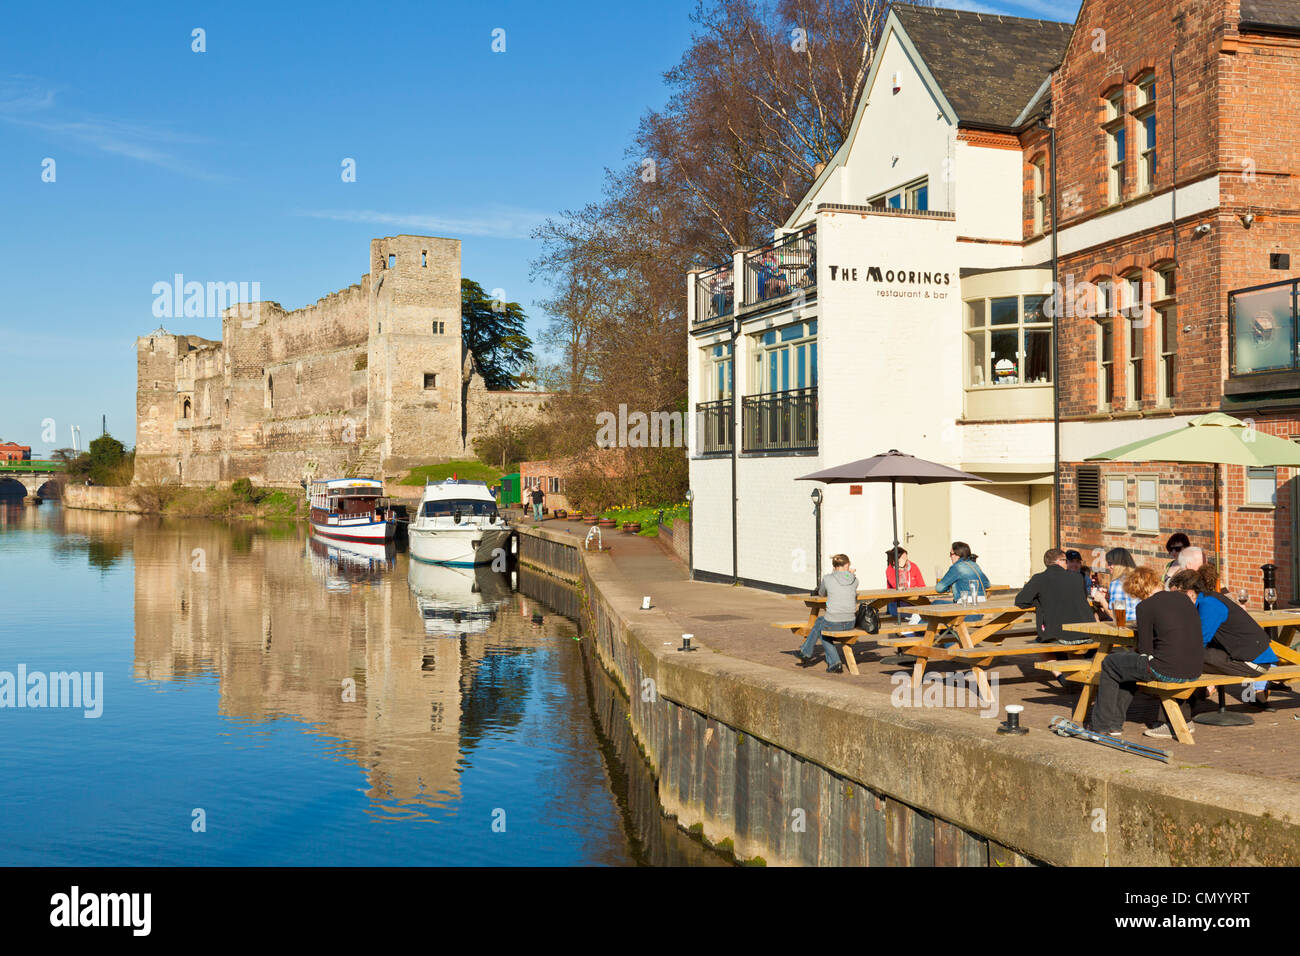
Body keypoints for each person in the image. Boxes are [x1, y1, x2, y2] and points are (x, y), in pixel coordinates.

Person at [1089, 567, 1204, 739]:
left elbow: (1145, 650)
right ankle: (1114, 723)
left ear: (1139, 589)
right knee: (1126, 666)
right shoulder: (1184, 598)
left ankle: (1102, 725)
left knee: (1110, 663)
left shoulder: (1145, 606)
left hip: (1166, 670)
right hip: (1195, 669)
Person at [1194, 562, 1276, 699]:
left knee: (1193, 657)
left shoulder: (1209, 604)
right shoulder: (1216, 598)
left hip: (1254, 663)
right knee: (1198, 655)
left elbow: (1200, 640)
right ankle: (1199, 693)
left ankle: (1192, 697)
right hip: (1257, 657)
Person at [1015, 549, 1096, 644]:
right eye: (1066, 561)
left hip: (1061, 636)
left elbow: (1020, 601)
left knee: (1041, 644)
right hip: (1088, 633)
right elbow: (1083, 597)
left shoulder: (1039, 578)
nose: (1067, 563)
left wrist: (1039, 601)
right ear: (1058, 561)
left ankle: (1052, 660)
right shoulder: (1078, 577)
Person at [797, 554, 857, 673]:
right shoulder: (854, 579)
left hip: (835, 621)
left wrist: (834, 574)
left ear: (834, 566)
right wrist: (849, 573)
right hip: (851, 621)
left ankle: (830, 661)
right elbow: (848, 581)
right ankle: (807, 653)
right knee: (820, 622)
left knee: (822, 630)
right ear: (847, 565)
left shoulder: (828, 578)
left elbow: (821, 593)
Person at [1091, 547, 1140, 622]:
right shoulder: (1138, 579)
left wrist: (1101, 599)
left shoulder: (1117, 583)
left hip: (1126, 629)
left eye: (1110, 563)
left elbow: (1118, 617)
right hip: (1141, 625)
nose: (1108, 566)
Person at [885, 546, 925, 632]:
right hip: (898, 604)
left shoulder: (913, 566)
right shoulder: (890, 569)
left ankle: (913, 629)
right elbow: (896, 586)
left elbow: (922, 585)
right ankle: (911, 629)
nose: (906, 560)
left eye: (906, 557)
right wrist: (901, 570)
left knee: (927, 609)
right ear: (895, 560)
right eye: (903, 558)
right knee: (919, 614)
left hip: (915, 601)